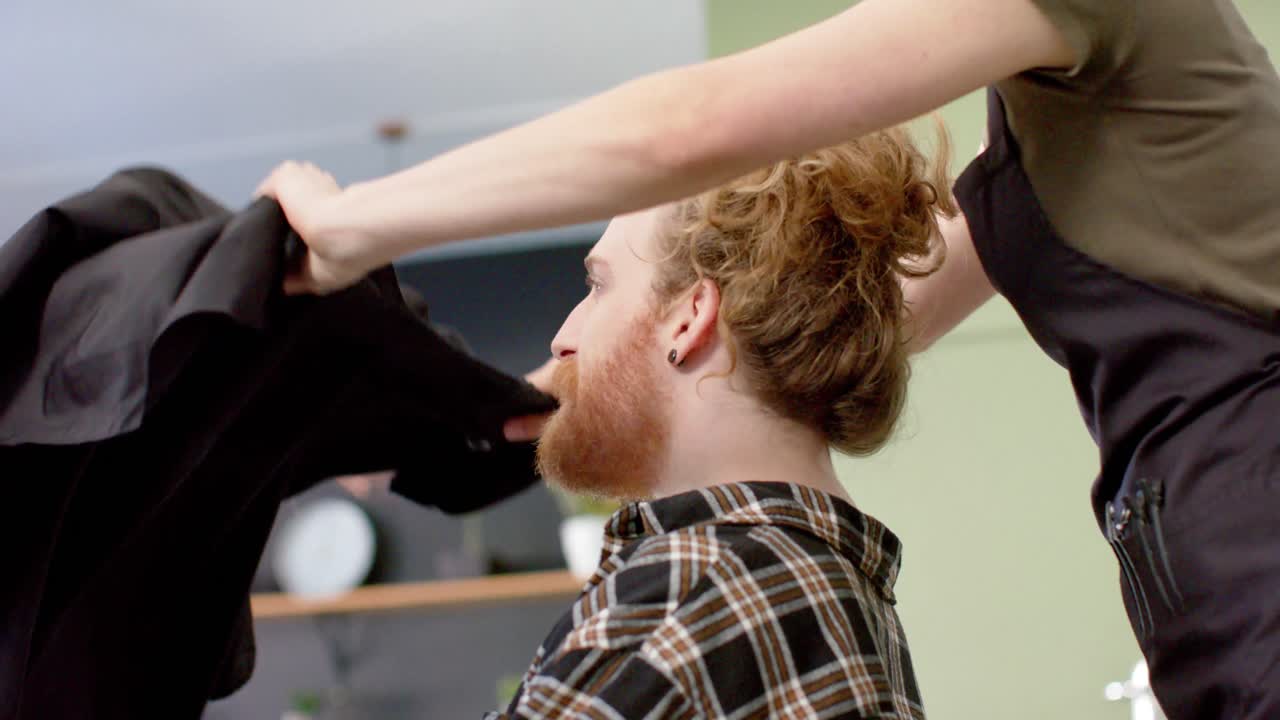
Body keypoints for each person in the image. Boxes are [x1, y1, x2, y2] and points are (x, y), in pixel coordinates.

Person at [259, 0, 1280, 715]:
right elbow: (811, 318)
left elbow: (688, 133)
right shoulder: (1063, 133)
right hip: (1204, 600)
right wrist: (485, 415)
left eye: (594, 282)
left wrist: (352, 226)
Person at [482, 129, 946, 719]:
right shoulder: (833, 586)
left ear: (689, 319)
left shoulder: (683, 599)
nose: (563, 338)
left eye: (598, 286)